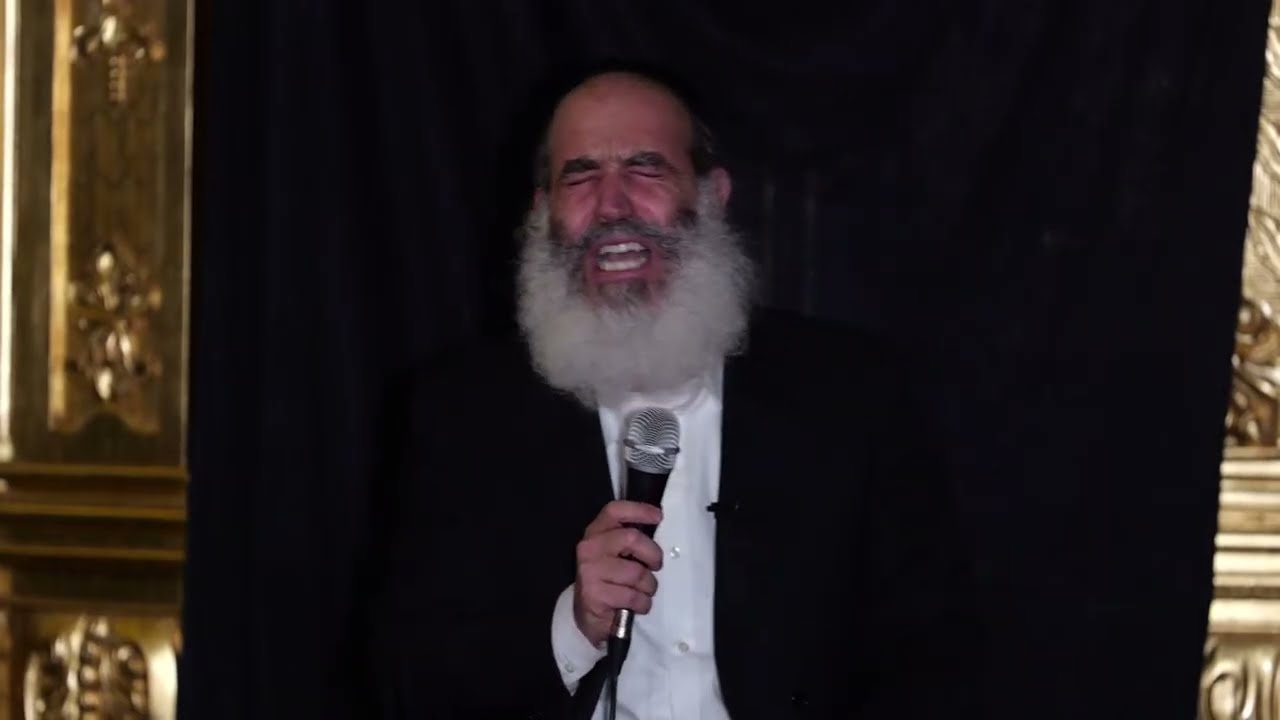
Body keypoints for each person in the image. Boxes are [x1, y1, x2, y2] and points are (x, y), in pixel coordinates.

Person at [369, 66, 985, 719]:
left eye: (645, 168)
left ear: (712, 195)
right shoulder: (464, 413)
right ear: (543, 213)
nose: (612, 206)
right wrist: (574, 626)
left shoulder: (852, 392)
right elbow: (412, 677)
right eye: (580, 176)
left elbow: (933, 657)